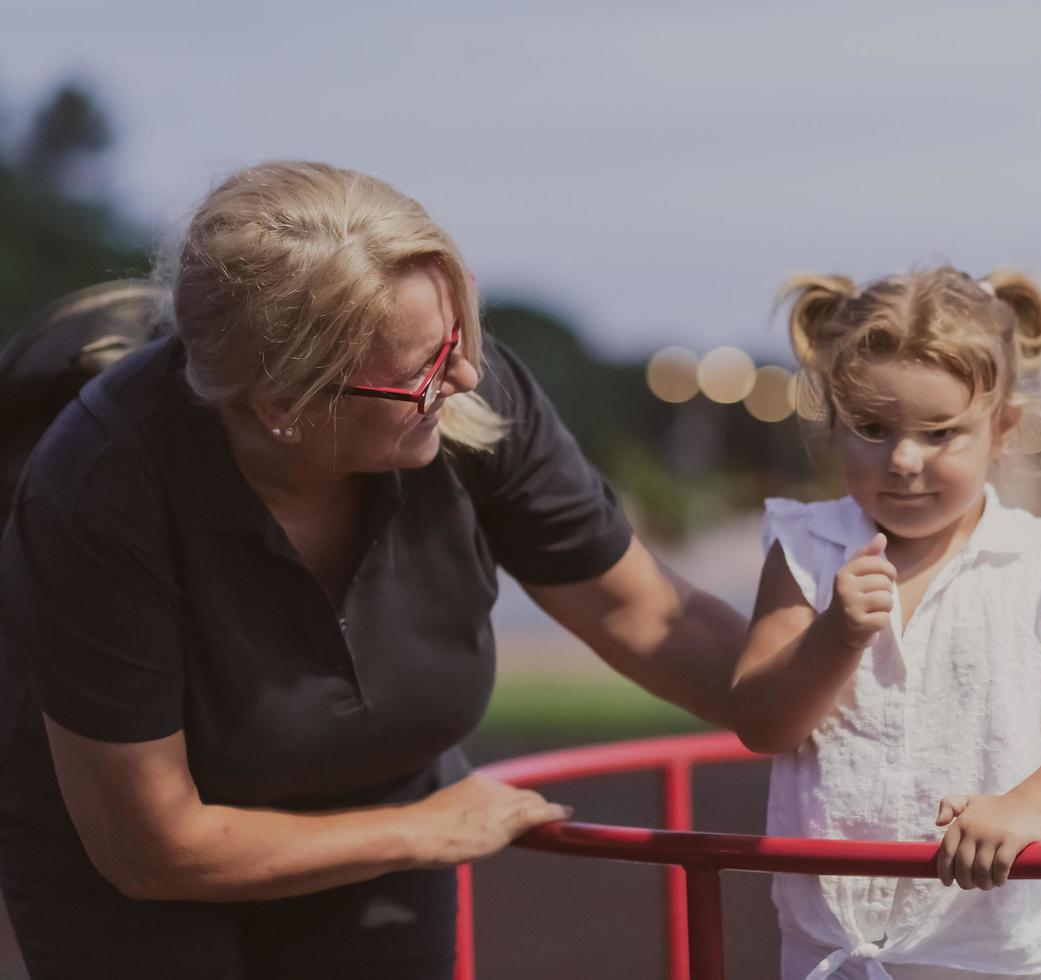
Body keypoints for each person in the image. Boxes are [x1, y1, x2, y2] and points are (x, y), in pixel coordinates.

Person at [0, 160, 748, 980]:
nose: (462, 376)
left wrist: (853, 706)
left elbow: (644, 615)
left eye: (458, 336)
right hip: (140, 871)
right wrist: (422, 831)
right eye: (422, 369)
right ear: (284, 403)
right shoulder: (101, 486)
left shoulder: (469, 401)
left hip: (378, 810)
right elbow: (152, 849)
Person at [730, 268, 1041, 980]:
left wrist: (1024, 810)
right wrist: (834, 638)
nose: (905, 460)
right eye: (873, 429)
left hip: (1002, 957)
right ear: (834, 420)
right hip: (836, 953)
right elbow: (762, 721)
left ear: (1003, 427)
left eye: (941, 432)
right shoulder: (804, 551)